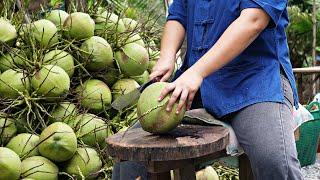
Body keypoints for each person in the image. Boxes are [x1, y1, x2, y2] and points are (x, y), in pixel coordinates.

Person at [112, 0, 303, 179]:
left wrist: (197, 72)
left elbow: (254, 19)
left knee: (274, 159)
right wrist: (167, 56)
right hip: (197, 88)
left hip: (254, 83)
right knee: (131, 156)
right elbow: (178, 15)